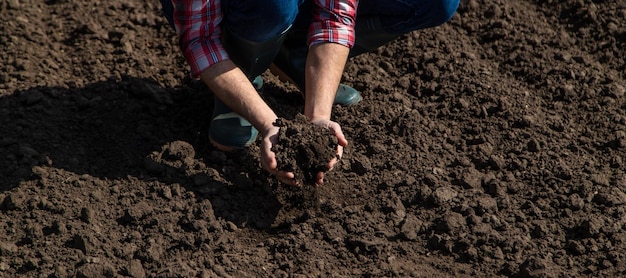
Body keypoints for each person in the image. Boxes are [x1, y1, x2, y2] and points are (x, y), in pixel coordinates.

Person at [160, 0, 459, 186]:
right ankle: (242, 72)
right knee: (274, 5)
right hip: (224, 11)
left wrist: (316, 119)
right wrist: (268, 123)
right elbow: (201, 39)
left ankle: (295, 55)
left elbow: (336, 14)